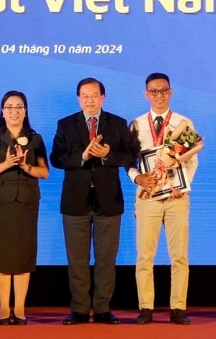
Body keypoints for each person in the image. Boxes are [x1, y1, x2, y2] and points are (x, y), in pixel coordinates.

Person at [49, 77, 136, 325]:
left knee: (106, 259)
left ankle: (102, 309)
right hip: (75, 200)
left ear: (103, 97)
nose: (90, 100)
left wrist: (108, 154)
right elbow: (56, 158)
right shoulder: (66, 124)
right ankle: (79, 309)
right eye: (85, 96)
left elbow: (130, 155)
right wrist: (83, 156)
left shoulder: (117, 123)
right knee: (77, 259)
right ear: (78, 99)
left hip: (108, 200)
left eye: (94, 95)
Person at [126, 73, 202, 325]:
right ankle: (145, 307)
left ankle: (178, 308)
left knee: (179, 255)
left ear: (170, 92)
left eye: (163, 90)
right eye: (153, 91)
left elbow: (191, 160)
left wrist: (184, 185)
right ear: (146, 94)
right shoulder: (136, 125)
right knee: (144, 255)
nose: (159, 95)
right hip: (147, 197)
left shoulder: (183, 122)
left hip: (176, 197)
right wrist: (138, 178)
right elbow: (128, 161)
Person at [0, 91, 49, 325]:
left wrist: (25, 166)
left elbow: (44, 172)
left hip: (27, 202)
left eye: (19, 107)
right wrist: (7, 163)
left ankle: (19, 309)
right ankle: (3, 309)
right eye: (9, 107)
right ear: (2, 111)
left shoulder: (35, 139)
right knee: (1, 255)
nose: (14, 111)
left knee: (23, 256)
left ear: (25, 111)